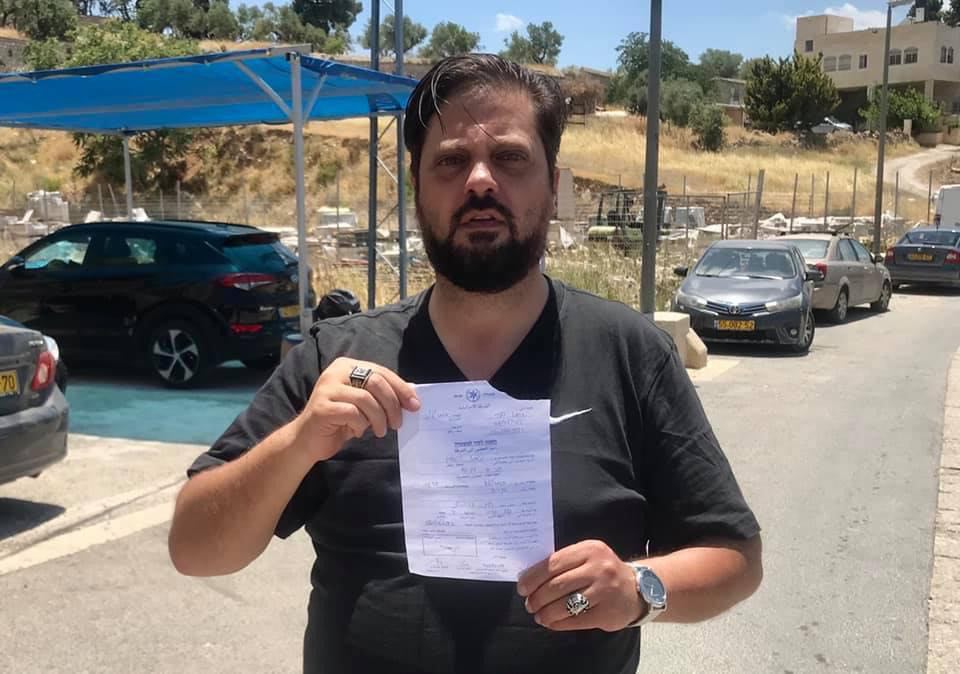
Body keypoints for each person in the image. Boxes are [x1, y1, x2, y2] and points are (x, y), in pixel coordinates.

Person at [168, 54, 763, 674]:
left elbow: (736, 557)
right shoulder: (336, 359)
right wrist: (297, 443)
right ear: (416, 187)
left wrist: (641, 589)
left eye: (510, 158)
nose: (480, 181)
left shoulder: (630, 353)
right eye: (451, 161)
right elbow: (195, 549)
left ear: (552, 184)